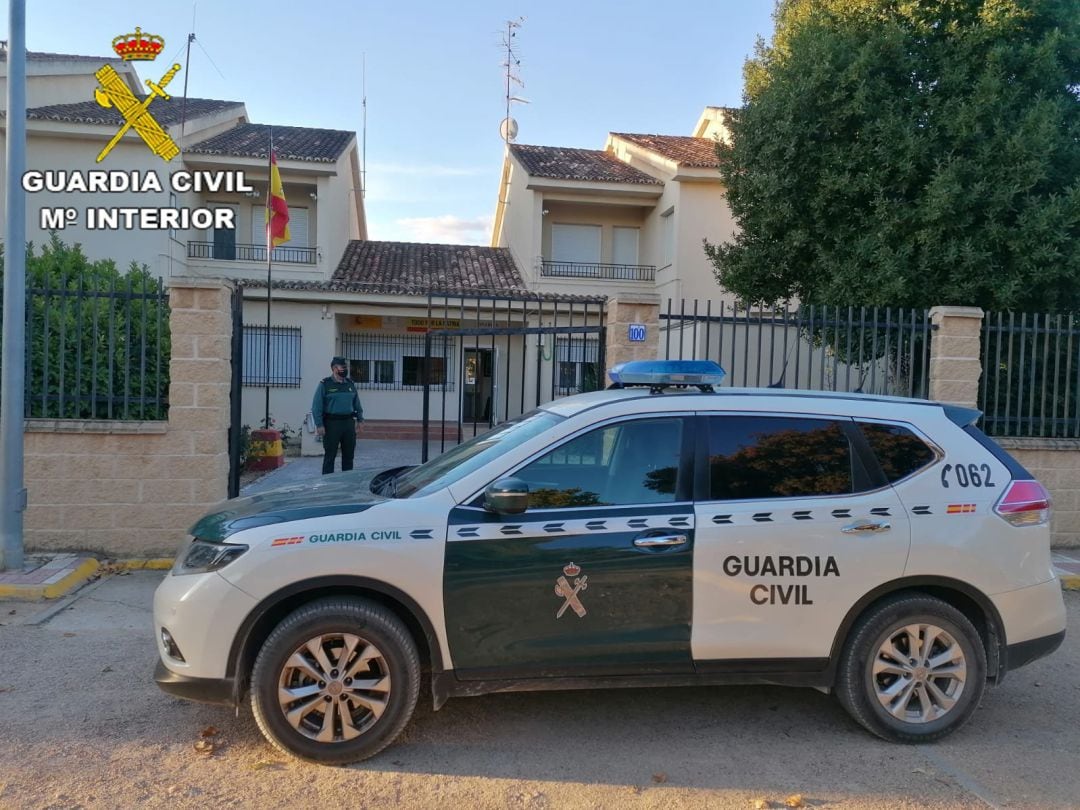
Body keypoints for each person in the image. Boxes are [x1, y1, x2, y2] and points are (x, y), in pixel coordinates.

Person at [311, 356, 364, 474]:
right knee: (330, 456)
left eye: (346, 367)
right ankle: (328, 484)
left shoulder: (350, 384)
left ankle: (346, 483)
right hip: (331, 424)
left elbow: (357, 403)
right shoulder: (325, 384)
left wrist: (360, 420)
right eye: (343, 367)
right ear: (335, 368)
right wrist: (319, 424)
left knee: (349, 456)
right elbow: (316, 406)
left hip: (348, 424)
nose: (345, 369)